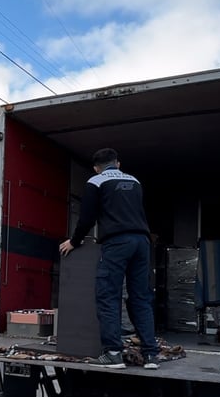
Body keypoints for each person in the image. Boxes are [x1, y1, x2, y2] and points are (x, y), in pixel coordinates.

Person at [59, 148, 160, 370]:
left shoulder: (96, 181)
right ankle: (151, 355)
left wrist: (74, 242)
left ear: (96, 167)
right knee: (140, 298)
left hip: (117, 243)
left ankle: (113, 353)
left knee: (108, 296)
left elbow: (87, 217)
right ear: (118, 164)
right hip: (142, 243)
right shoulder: (135, 181)